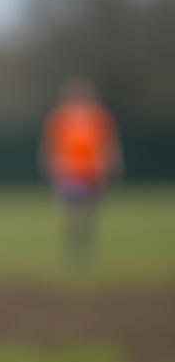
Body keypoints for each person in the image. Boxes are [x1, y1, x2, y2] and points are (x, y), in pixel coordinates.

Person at [39, 78, 122, 259]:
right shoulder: (59, 117)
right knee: (72, 207)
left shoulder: (99, 116)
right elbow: (50, 144)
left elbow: (108, 143)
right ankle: (75, 242)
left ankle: (83, 240)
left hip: (92, 170)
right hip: (69, 169)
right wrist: (50, 165)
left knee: (89, 209)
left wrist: (112, 163)